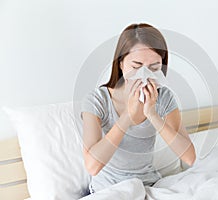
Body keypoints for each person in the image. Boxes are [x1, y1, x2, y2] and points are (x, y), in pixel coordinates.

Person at [80, 23, 196, 194]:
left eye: (154, 68)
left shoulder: (163, 97)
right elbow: (92, 166)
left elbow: (189, 157)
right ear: (121, 63)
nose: (145, 75)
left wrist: (152, 115)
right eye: (136, 66)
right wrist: (128, 116)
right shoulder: (98, 100)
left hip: (148, 186)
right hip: (108, 190)